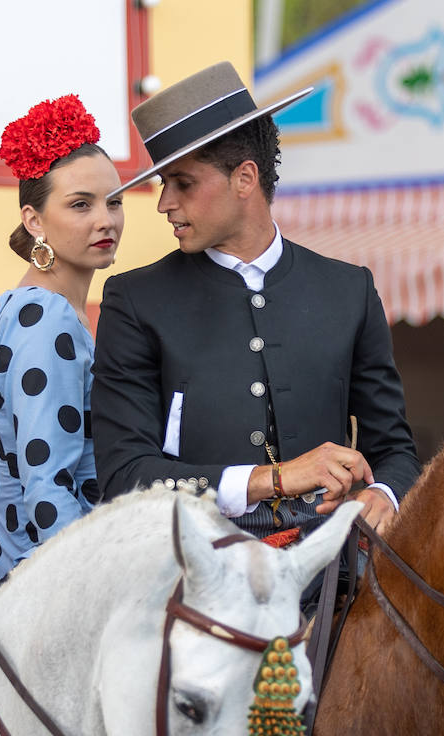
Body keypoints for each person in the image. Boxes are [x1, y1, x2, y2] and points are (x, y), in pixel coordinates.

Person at [92, 62, 419, 551]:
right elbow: (125, 478)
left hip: (333, 567)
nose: (165, 204)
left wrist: (383, 493)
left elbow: (394, 449)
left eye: (182, 183)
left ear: (245, 178)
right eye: (164, 185)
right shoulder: (135, 301)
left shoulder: (349, 290)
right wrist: (275, 478)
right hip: (191, 574)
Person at [0, 95, 123, 581]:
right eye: (81, 205)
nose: (106, 220)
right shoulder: (43, 317)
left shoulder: (43, 308)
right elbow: (46, 484)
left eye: (114, 201)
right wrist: (91, 587)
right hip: (39, 586)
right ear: (34, 220)